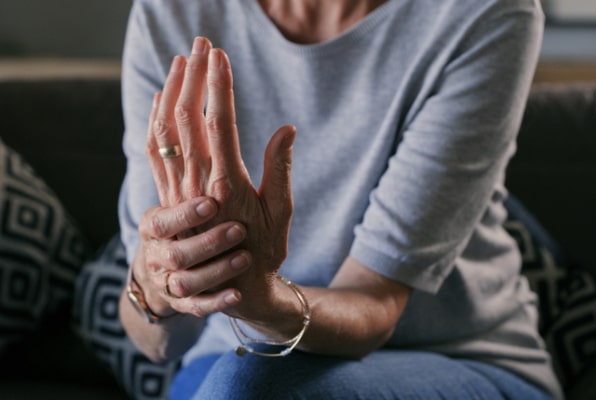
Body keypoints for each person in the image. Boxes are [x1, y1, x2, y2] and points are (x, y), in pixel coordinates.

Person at [117, 0, 563, 398]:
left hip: (451, 357)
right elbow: (157, 342)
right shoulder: (170, 12)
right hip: (226, 360)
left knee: (250, 387)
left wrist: (261, 297)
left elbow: (375, 304)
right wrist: (162, 281)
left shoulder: (483, 13)